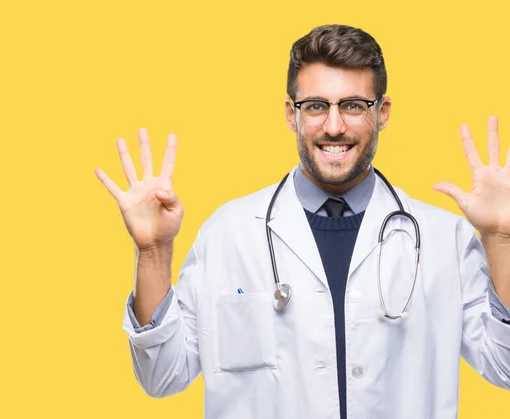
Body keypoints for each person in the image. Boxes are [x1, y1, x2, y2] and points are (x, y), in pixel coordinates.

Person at [95, 24, 510, 419]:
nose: (333, 126)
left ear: (382, 113)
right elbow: (161, 376)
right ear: (291, 114)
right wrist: (152, 252)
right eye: (315, 106)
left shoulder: (443, 238)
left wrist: (501, 239)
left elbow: (504, 366)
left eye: (353, 106)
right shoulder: (230, 232)